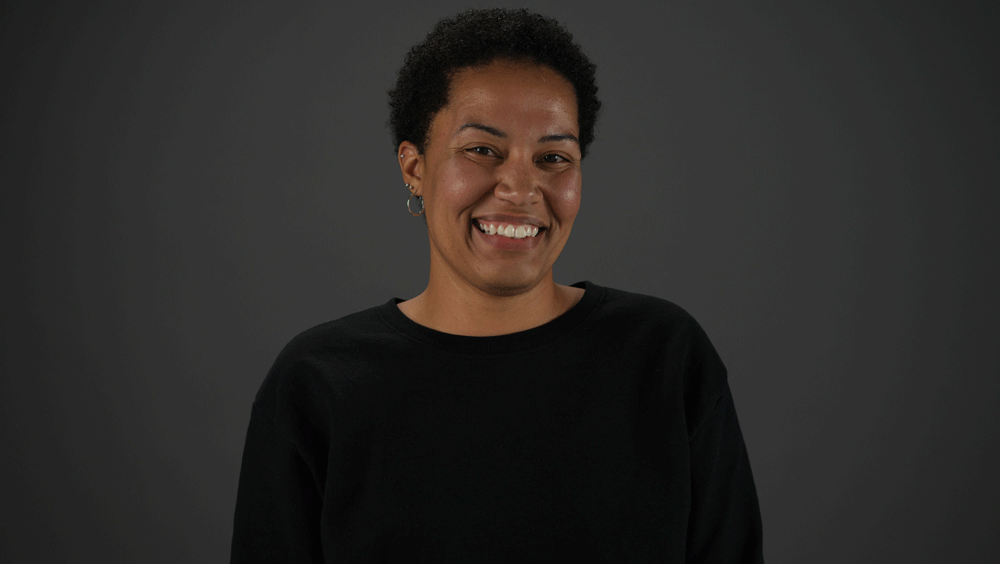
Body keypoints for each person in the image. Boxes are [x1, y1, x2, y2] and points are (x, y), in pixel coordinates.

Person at [231, 8, 764, 563]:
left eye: (553, 157)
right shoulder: (317, 384)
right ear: (415, 167)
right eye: (482, 150)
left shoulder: (666, 360)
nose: (520, 187)